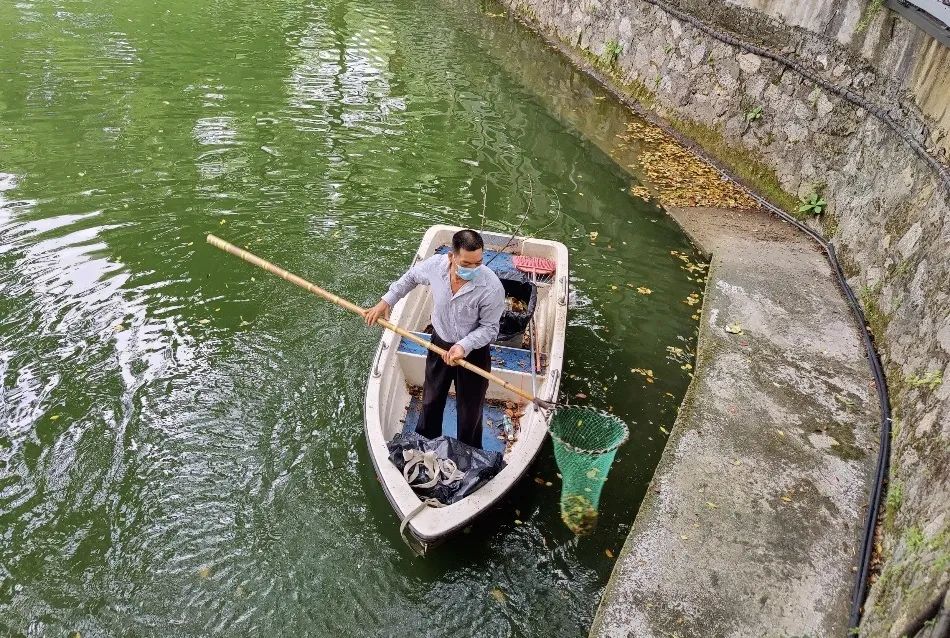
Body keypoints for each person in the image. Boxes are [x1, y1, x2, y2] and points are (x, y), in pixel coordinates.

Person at [365, 229, 505, 449]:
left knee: (470, 411)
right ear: (452, 257)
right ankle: (425, 444)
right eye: (467, 264)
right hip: (440, 343)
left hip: (473, 352)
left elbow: (490, 329)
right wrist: (386, 301)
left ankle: (467, 452)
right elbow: (411, 277)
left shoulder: (491, 287)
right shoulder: (435, 266)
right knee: (430, 400)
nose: (474, 269)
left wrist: (463, 346)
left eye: (478, 263)